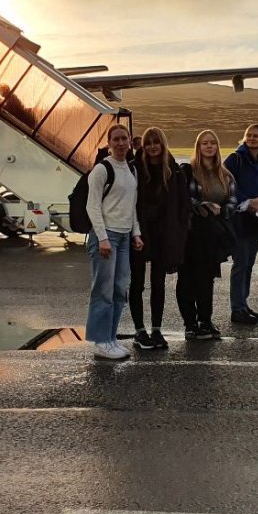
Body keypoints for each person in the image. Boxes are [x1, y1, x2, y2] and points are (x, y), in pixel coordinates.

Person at [84, 124, 144, 360]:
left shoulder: (131, 169)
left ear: (130, 142)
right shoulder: (101, 170)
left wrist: (136, 233)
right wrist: (102, 238)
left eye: (124, 139)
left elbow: (132, 206)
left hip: (124, 236)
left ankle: (111, 338)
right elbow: (92, 206)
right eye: (116, 139)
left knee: (120, 290)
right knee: (104, 290)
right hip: (106, 237)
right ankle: (101, 341)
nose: (120, 143)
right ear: (109, 143)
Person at [129, 127, 191, 351]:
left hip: (164, 235)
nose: (153, 147)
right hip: (139, 232)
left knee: (158, 283)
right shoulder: (135, 168)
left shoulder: (173, 170)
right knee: (137, 283)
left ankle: (156, 329)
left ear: (163, 144)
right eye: (148, 143)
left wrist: (179, 232)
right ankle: (139, 330)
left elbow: (183, 204)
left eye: (156, 142)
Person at [176, 130, 238, 341]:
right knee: (187, 279)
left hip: (213, 234)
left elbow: (233, 200)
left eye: (212, 143)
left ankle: (205, 320)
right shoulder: (189, 171)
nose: (209, 146)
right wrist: (204, 205)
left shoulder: (225, 175)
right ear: (198, 147)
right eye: (205, 143)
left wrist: (222, 210)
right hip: (191, 233)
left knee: (206, 279)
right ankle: (190, 324)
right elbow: (184, 198)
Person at [223, 124, 258, 325]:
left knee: (249, 263)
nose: (252, 138)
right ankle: (237, 309)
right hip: (239, 217)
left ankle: (243, 304)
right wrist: (248, 203)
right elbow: (227, 185)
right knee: (240, 263)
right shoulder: (235, 159)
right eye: (249, 135)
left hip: (257, 219)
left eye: (256, 136)